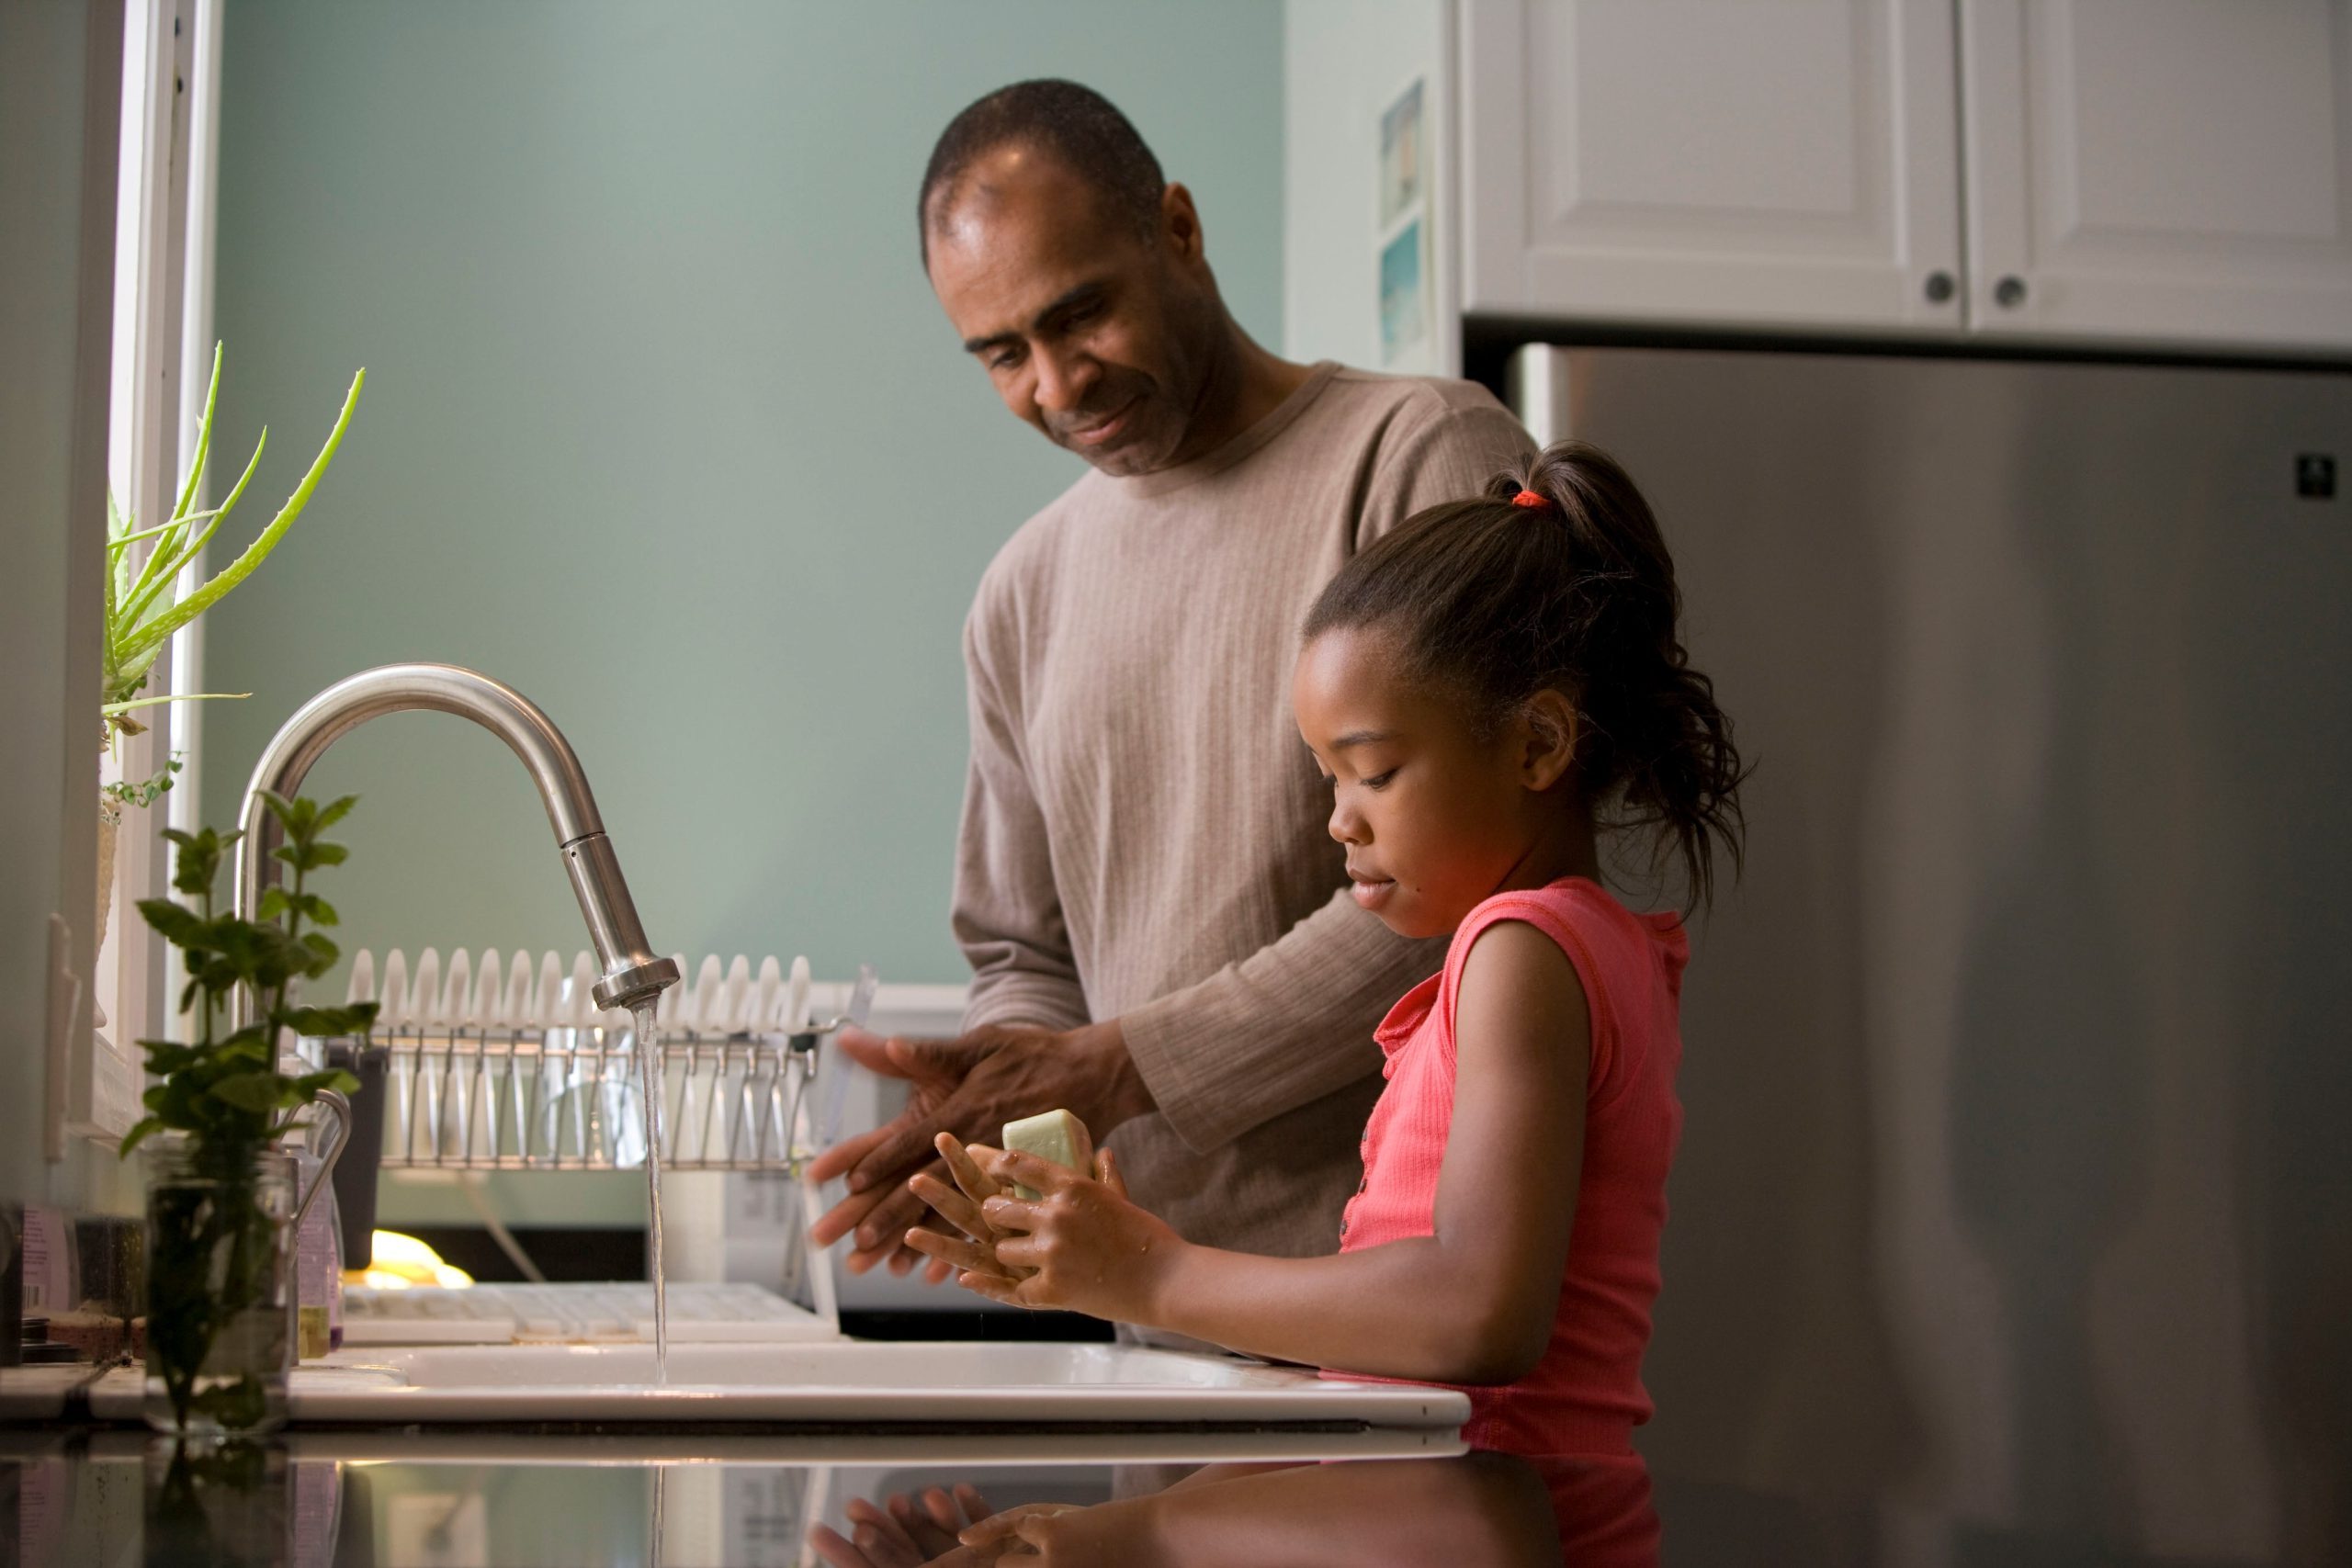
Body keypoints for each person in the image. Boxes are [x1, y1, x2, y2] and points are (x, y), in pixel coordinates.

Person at [808, 79, 1533, 1288]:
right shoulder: (1023, 592)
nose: (1057, 384)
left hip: (1413, 1305)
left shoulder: (1424, 457)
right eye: (1002, 353)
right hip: (1158, 1311)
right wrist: (1010, 1084)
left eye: (1080, 311)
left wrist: (1121, 1064)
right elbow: (1024, 947)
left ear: (1180, 232)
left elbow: (1478, 881)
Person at [907, 442, 1747, 1457]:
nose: (1339, 823)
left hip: (1504, 1520)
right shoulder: (1585, 943)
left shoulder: (1519, 949)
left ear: (1536, 746)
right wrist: (1119, 1260)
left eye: (1374, 773)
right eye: (1327, 781)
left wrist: (1153, 1274)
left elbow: (1474, 1312)